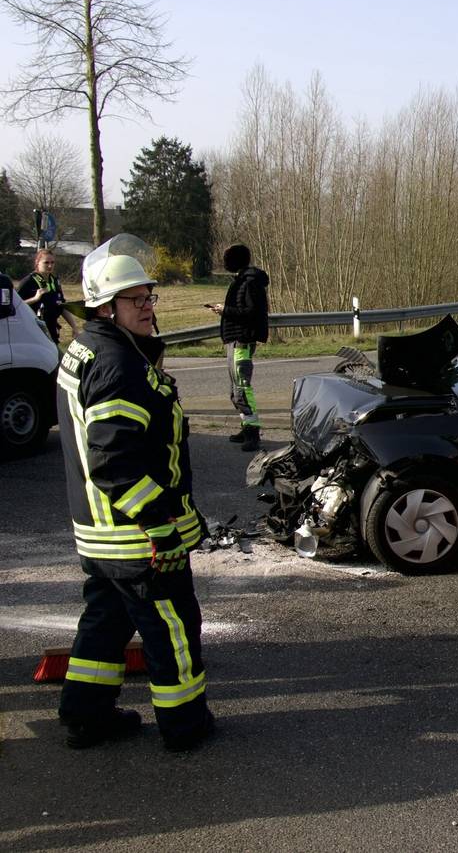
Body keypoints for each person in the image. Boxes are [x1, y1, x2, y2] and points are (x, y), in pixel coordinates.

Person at [56, 234, 214, 752]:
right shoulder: (118, 366)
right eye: (136, 299)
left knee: (104, 626)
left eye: (149, 296)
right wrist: (161, 526)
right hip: (137, 539)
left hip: (101, 535)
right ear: (106, 306)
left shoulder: (86, 349)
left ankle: (86, 716)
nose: (148, 307)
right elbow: (113, 461)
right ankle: (185, 725)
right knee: (173, 631)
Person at [210, 244, 269, 452]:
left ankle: (253, 433)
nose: (224, 262)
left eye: (226, 258)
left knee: (242, 388)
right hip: (235, 340)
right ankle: (246, 426)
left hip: (242, 340)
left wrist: (225, 310)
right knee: (235, 390)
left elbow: (251, 312)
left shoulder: (249, 282)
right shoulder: (243, 280)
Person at [18, 247, 79, 344]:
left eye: (52, 262)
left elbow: (62, 306)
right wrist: (35, 299)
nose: (50, 265)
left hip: (52, 330)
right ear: (37, 262)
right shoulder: (28, 281)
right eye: (46, 263)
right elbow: (15, 306)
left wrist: (74, 327)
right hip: (34, 331)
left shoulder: (55, 281)